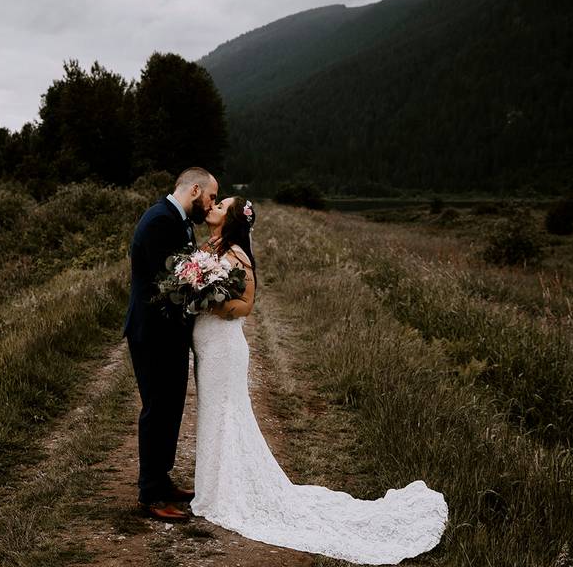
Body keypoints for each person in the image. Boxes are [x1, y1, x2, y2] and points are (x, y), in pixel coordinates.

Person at [191, 196, 449, 565]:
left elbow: (246, 305)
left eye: (221, 205)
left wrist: (206, 300)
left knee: (225, 413)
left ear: (230, 219)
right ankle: (214, 488)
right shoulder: (212, 248)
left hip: (224, 347)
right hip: (211, 345)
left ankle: (223, 494)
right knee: (215, 413)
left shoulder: (235, 255)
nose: (213, 207)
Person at [124, 167, 218, 521]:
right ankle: (149, 494)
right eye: (210, 197)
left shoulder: (180, 221)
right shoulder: (159, 220)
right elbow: (174, 281)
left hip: (171, 332)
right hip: (152, 333)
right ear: (195, 190)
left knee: (172, 406)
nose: (210, 205)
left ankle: (162, 480)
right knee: (157, 409)